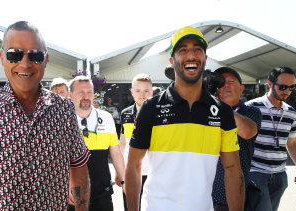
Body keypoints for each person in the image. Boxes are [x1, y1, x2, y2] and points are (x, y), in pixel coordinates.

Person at [0, 21, 90, 210]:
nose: (25, 64)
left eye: (35, 55)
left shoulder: (64, 110)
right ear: (2, 57)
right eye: (14, 54)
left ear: (46, 59)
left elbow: (79, 171)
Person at [125, 26, 244, 211]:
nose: (191, 55)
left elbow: (233, 170)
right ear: (172, 61)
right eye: (183, 50)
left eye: (198, 49)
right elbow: (133, 165)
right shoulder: (151, 107)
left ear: (205, 58)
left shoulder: (222, 111)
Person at [245, 66, 296, 210]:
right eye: (283, 87)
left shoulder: (291, 112)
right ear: (270, 84)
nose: (287, 91)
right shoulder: (251, 107)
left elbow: (292, 143)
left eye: (291, 87)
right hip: (256, 173)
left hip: (280, 175)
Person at [69, 75, 125, 211]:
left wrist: (124, 181)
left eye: (89, 92)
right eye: (81, 92)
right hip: (72, 195)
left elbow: (116, 152)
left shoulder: (106, 118)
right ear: (70, 95)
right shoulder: (60, 119)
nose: (86, 96)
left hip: (102, 193)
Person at [211, 67, 262, 210]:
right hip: (202, 193)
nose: (225, 85)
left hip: (229, 196)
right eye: (220, 83)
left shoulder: (251, 111)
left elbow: (247, 131)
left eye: (230, 81)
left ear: (242, 88)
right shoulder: (207, 111)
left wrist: (217, 105)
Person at [119, 73, 153, 211]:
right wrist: (120, 172)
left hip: (153, 174)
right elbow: (122, 143)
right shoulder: (125, 113)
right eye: (138, 91)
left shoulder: (160, 113)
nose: (142, 95)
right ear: (132, 93)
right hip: (131, 173)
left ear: (152, 91)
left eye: (146, 91)